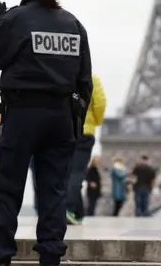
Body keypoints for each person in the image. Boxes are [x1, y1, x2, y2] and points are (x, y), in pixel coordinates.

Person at [0, 0, 92, 266]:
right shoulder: (73, 24)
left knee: (8, 188)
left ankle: (0, 256)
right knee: (53, 190)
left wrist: (0, 22)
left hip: (23, 113)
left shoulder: (17, 19)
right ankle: (51, 254)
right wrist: (74, 123)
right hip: (60, 117)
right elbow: (85, 82)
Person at [66, 74, 106, 225]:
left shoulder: (61, 75)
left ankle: (77, 213)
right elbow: (100, 103)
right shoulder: (91, 78)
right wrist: (96, 121)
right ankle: (68, 208)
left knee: (65, 172)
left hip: (62, 130)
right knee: (77, 173)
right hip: (84, 131)